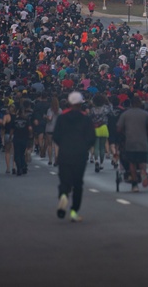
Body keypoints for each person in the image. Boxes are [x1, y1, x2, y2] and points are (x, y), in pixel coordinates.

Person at [53, 91, 96, 221]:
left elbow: (56, 136)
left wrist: (64, 145)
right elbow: (92, 138)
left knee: (64, 180)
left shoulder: (62, 118)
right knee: (78, 183)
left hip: (65, 153)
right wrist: (84, 147)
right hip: (80, 154)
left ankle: (63, 195)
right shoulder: (86, 119)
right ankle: (74, 211)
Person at [116, 98, 148, 191]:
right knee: (142, 161)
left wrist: (124, 134)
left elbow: (119, 128)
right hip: (142, 141)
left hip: (130, 141)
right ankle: (143, 172)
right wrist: (146, 133)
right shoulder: (146, 114)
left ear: (131, 105)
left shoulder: (125, 114)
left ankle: (134, 183)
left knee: (132, 163)